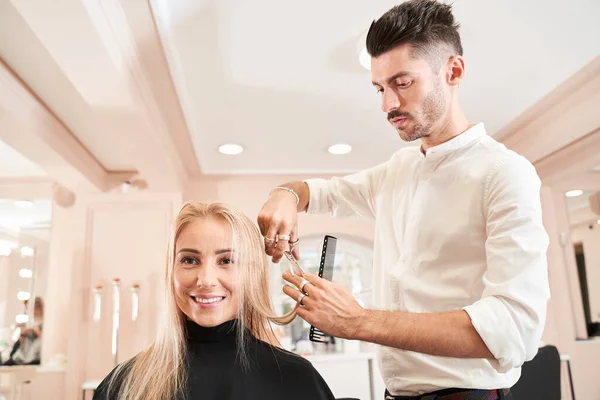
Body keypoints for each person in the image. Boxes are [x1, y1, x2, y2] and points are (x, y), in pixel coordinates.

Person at [257, 1, 550, 399]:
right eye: (380, 88)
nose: (387, 105)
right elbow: (323, 192)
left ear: (453, 71)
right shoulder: (399, 169)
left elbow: (514, 328)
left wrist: (357, 322)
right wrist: (286, 194)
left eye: (402, 82)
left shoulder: (504, 173)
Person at [93, 201, 335, 400]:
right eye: (189, 260)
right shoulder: (122, 385)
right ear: (172, 271)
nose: (206, 280)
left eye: (227, 261)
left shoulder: (295, 378)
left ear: (252, 273)